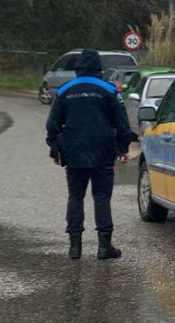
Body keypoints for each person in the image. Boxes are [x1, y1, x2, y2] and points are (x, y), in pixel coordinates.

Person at [45, 48, 136, 260]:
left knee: (75, 197)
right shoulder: (109, 89)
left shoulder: (64, 90)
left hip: (73, 152)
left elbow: (52, 125)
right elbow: (122, 123)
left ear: (78, 66)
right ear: (98, 67)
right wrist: (123, 147)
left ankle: (74, 247)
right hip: (103, 150)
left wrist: (55, 148)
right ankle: (104, 247)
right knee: (101, 197)